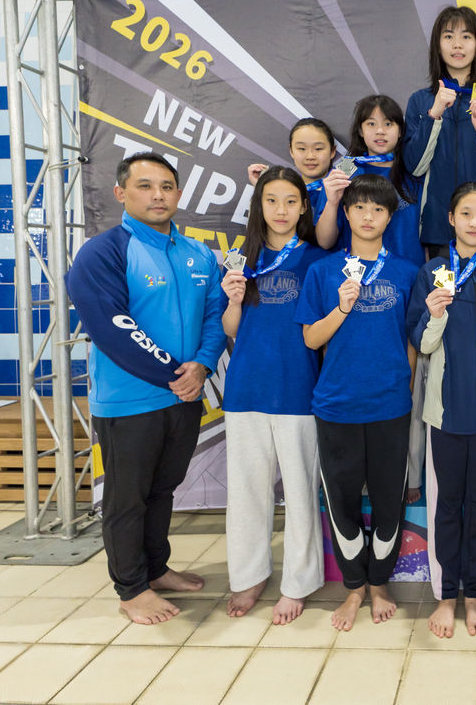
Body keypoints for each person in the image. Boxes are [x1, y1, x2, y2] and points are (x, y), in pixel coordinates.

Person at [65, 151, 225, 625]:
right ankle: (132, 589)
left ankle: (156, 569)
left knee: (163, 490)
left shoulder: (198, 253)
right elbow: (113, 327)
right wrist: (177, 374)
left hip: (185, 395)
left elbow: (214, 315)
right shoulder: (103, 252)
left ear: (179, 194)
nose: (158, 195)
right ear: (121, 193)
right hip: (130, 401)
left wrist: (202, 365)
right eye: (145, 186)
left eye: (167, 186)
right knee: (126, 498)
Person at [295, 174, 421, 631]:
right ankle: (354, 587)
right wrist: (342, 308)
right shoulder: (322, 271)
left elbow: (412, 341)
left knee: (389, 501)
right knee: (342, 501)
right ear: (345, 213)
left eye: (378, 209)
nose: (369, 216)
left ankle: (380, 583)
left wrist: (404, 385)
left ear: (389, 218)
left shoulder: (407, 272)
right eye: (360, 207)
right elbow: (311, 339)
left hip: (390, 406)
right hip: (337, 405)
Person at [406, 182, 476, 639]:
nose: (475, 222)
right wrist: (435, 315)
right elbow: (421, 343)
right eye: (466, 214)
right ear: (451, 219)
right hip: (446, 413)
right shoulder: (432, 272)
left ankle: (475, 593)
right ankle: (446, 595)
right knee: (448, 506)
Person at [220, 166, 328, 623]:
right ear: (258, 205)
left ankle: (298, 583)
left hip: (298, 388)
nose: (280, 210)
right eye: (271, 201)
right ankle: (249, 576)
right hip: (246, 387)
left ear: (304, 207)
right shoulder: (241, 258)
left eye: (290, 201)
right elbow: (231, 331)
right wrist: (233, 299)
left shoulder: (318, 260)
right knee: (246, 491)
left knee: (301, 492)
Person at [317, 95, 426, 501]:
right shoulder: (344, 172)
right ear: (359, 130)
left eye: (389, 123)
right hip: (354, 291)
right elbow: (325, 239)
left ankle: (406, 477)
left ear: (401, 130)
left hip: (403, 286)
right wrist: (331, 198)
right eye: (371, 123)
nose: (380, 131)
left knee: (407, 384)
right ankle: (357, 480)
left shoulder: (414, 173)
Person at [403, 5, 476, 250]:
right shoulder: (421, 101)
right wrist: (434, 115)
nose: (457, 45)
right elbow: (414, 167)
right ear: (437, 45)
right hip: (439, 229)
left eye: (466, 36)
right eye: (448, 36)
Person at [247, 117, 337, 223]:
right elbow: (258, 229)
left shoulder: (344, 188)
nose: (310, 156)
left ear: (332, 151)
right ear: (291, 151)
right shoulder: (282, 190)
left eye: (318, 149)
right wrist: (260, 189)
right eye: (301, 149)